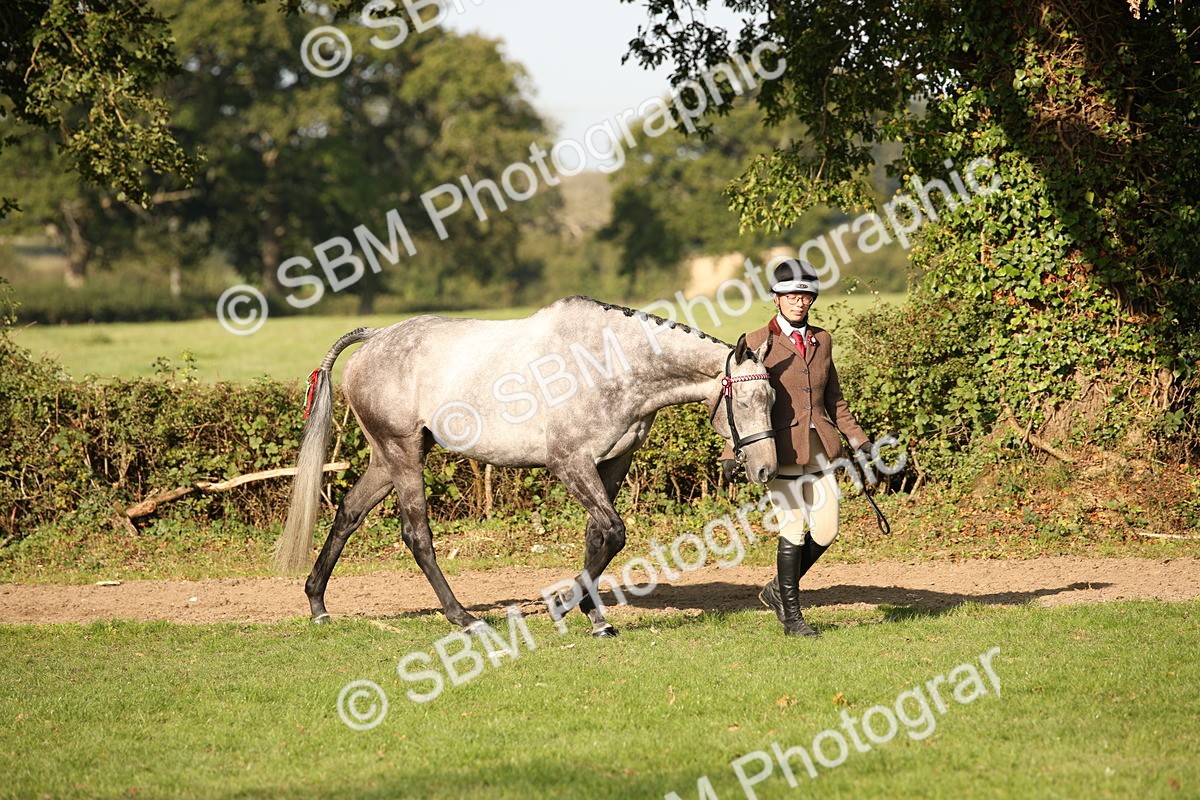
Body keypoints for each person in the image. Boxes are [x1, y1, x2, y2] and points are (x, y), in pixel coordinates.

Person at [725, 258, 872, 637]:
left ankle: (777, 589)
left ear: (812, 299)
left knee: (826, 530)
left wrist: (859, 438)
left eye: (805, 295)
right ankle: (792, 618)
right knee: (792, 526)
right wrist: (730, 452)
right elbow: (739, 403)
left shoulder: (823, 340)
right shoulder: (756, 343)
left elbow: (833, 396)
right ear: (776, 298)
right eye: (790, 294)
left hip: (820, 446)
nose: (798, 301)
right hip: (779, 450)